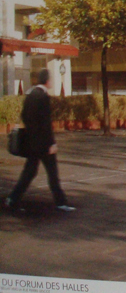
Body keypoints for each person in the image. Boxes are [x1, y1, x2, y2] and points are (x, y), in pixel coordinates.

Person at [4, 69, 74, 213]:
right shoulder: (43, 97)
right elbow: (45, 124)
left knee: (29, 172)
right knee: (52, 174)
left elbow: (24, 116)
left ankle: (13, 198)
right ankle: (60, 202)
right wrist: (51, 143)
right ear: (47, 81)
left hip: (32, 142)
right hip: (44, 144)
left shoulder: (30, 95)